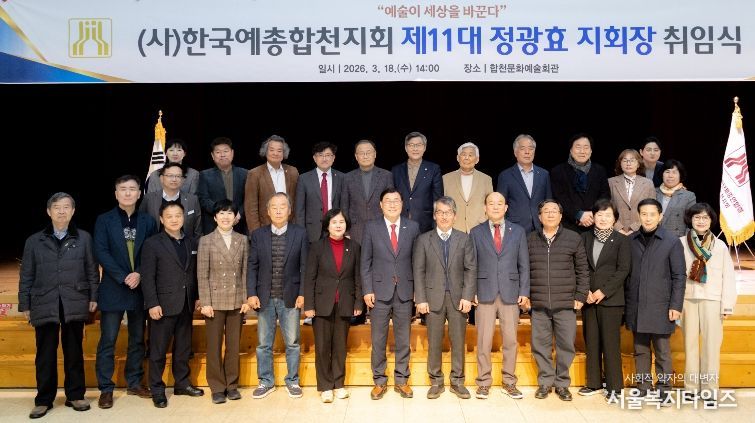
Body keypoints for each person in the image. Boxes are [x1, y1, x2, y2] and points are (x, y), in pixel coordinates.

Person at [19, 192, 99, 419]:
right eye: (57, 207)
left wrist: (94, 296)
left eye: (66, 207)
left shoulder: (84, 238)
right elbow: (26, 275)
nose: (61, 211)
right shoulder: (34, 241)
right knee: (45, 354)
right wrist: (25, 303)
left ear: (73, 211)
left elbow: (92, 270)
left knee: (74, 351)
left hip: (74, 299)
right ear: (48, 211)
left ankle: (76, 395)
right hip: (44, 300)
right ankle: (44, 399)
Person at [94, 175, 157, 409]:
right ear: (116, 193)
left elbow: (152, 251)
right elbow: (101, 251)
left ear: (140, 193)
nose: (128, 193)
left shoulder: (148, 221)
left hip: (139, 289)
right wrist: (123, 276)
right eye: (123, 189)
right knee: (108, 340)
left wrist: (139, 273)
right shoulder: (104, 220)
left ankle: (134, 382)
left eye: (132, 189)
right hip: (113, 287)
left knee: (137, 339)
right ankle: (105, 388)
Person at [141, 201, 205, 408]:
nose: (174, 219)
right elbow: (148, 277)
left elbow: (193, 273)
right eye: (169, 216)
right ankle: (157, 389)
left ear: (184, 217)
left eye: (178, 215)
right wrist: (152, 303)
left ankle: (182, 383)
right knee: (158, 350)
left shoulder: (191, 242)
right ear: (161, 219)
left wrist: (197, 296)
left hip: (186, 303)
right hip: (162, 305)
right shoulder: (152, 243)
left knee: (183, 348)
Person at [413, 196, 477, 400]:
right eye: (439, 212)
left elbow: (470, 269)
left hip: (459, 299)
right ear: (434, 215)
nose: (443, 216)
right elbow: (419, 271)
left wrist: (467, 296)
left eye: (448, 212)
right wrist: (421, 298)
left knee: (458, 341)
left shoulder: (464, 239)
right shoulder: (424, 240)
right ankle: (436, 381)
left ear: (454, 215)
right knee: (434, 342)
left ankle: (457, 381)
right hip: (432, 298)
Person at [247, 193, 308, 399]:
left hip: (290, 296)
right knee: (264, 344)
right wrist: (251, 293)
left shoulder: (300, 233)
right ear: (268, 211)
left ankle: (293, 381)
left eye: (283, 206)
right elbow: (252, 266)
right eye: (274, 207)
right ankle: (266, 381)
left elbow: (305, 267)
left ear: (290, 211)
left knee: (292, 342)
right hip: (264, 297)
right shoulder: (258, 235)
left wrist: (303, 293)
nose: (279, 210)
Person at [361, 188, 421, 400]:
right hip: (378, 292)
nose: (392, 204)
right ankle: (379, 381)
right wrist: (367, 289)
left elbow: (417, 262)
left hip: (405, 291)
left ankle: (402, 380)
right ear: (381, 205)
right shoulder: (371, 227)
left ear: (402, 204)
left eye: (396, 200)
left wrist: (417, 290)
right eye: (388, 200)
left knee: (404, 339)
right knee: (378, 340)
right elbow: (365, 261)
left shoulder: (412, 227)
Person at [527, 199, 590, 401]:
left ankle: (562, 383)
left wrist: (581, 295)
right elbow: (524, 270)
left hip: (566, 303)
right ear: (539, 217)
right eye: (546, 211)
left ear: (561, 216)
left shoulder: (573, 238)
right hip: (538, 303)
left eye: (554, 211)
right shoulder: (530, 239)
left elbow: (582, 269)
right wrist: (526, 296)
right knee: (540, 346)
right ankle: (545, 382)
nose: (550, 214)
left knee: (566, 346)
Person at [469, 192, 529, 400]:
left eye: (499, 203)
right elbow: (471, 265)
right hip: (484, 292)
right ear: (485, 208)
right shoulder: (475, 232)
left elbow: (524, 264)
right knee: (483, 341)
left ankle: (509, 382)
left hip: (510, 293)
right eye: (491, 203)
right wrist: (471, 291)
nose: (495, 207)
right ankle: (483, 382)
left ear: (506, 208)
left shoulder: (518, 231)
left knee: (511, 340)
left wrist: (524, 291)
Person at [626, 198, 686, 404]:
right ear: (639, 216)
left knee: (662, 352)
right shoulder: (631, 240)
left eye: (652, 214)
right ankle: (643, 387)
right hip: (637, 304)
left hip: (661, 306)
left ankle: (664, 389)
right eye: (644, 214)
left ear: (660, 216)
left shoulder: (671, 241)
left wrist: (675, 305)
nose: (648, 218)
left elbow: (679, 276)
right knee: (640, 350)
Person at [303, 209, 363, 403]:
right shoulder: (317, 247)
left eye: (342, 222)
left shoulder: (354, 246)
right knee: (322, 347)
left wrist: (358, 302)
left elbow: (357, 277)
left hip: (345, 302)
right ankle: (325, 386)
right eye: (334, 222)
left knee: (340, 346)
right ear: (327, 225)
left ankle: (339, 384)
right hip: (321, 304)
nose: (338, 225)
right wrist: (309, 305)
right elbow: (310, 278)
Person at [680, 203, 737, 402]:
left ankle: (710, 389)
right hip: (687, 299)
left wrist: (727, 304)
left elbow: (728, 276)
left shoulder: (720, 246)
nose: (701, 221)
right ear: (690, 220)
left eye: (705, 217)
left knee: (711, 348)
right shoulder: (681, 243)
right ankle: (691, 388)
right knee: (690, 346)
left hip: (712, 299)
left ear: (711, 221)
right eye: (697, 217)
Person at [197, 200, 250, 404]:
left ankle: (232, 385)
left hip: (236, 300)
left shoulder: (242, 240)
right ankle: (217, 387)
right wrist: (205, 302)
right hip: (214, 301)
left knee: (233, 346)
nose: (226, 217)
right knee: (214, 346)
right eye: (221, 213)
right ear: (215, 217)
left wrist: (245, 299)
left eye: (230, 213)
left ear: (236, 217)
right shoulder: (206, 241)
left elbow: (245, 272)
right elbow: (202, 274)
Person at [578, 199, 631, 402]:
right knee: (591, 341)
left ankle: (614, 386)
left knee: (610, 343)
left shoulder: (622, 240)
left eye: (608, 215)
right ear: (593, 217)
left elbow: (623, 270)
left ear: (614, 218)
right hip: (588, 298)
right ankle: (593, 383)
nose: (603, 218)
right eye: (599, 214)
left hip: (611, 299)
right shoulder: (584, 238)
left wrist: (603, 291)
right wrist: (585, 291)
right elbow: (580, 266)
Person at [340, 139, 393, 325]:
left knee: (381, 268)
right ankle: (359, 310)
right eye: (361, 153)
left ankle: (381, 309)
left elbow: (391, 202)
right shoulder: (348, 177)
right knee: (357, 270)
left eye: (368, 152)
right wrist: (346, 231)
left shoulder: (386, 175)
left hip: (380, 230)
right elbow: (344, 205)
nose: (365, 155)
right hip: (356, 231)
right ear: (356, 156)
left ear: (375, 154)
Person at [550, 133, 610, 233]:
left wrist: (593, 213)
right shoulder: (558, 171)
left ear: (591, 151)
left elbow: (605, 195)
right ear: (571, 150)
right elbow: (559, 198)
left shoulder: (600, 170)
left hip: (595, 223)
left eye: (586, 147)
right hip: (567, 226)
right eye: (578, 147)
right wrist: (578, 214)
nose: (582, 151)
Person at [497, 134, 553, 233]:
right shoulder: (505, 176)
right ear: (515, 152)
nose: (527, 152)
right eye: (523, 148)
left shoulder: (544, 174)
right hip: (514, 229)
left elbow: (549, 202)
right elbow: (500, 204)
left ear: (534, 152)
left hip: (540, 227)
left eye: (531, 148)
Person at [245, 135, 299, 233]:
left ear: (284, 153)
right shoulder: (255, 174)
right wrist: (256, 233)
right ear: (265, 151)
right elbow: (251, 207)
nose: (275, 153)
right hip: (264, 229)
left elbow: (297, 202)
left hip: (290, 228)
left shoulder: (293, 172)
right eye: (271, 150)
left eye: (279, 150)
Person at [392, 131, 443, 233]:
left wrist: (436, 224)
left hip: (425, 224)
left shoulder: (433, 169)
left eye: (419, 145)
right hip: (400, 222)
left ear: (424, 147)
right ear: (406, 148)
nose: (415, 148)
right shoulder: (396, 170)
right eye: (411, 145)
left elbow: (438, 199)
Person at [197, 137, 248, 235]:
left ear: (232, 153)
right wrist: (221, 214)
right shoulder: (204, 175)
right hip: (213, 225)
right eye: (218, 152)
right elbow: (203, 199)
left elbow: (249, 198)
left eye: (226, 151)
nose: (222, 155)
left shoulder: (245, 174)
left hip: (239, 224)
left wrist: (239, 213)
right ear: (212, 156)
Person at [140, 162, 202, 240]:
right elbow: (141, 224)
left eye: (178, 176)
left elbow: (197, 229)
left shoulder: (192, 200)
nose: (174, 179)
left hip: (185, 245)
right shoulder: (149, 199)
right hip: (155, 245)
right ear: (161, 178)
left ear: (183, 180)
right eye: (170, 176)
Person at [295, 142, 343, 243]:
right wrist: (300, 233)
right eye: (320, 155)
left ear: (333, 157)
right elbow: (300, 210)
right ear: (314, 158)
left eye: (328, 155)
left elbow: (344, 205)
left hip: (336, 228)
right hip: (312, 231)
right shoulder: (304, 179)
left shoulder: (342, 177)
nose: (324, 159)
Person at [442, 142, 493, 233]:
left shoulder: (486, 179)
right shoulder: (446, 178)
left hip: (479, 228)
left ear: (477, 159)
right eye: (463, 154)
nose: (466, 158)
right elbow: (441, 204)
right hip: (453, 227)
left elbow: (491, 204)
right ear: (458, 158)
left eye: (470, 155)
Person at [607, 149, 655, 235]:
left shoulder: (648, 183)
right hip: (615, 231)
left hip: (641, 231)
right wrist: (618, 227)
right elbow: (606, 207)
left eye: (632, 160)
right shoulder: (611, 182)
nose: (628, 163)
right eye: (625, 160)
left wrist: (635, 228)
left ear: (638, 164)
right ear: (620, 163)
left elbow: (652, 209)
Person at [656, 159, 697, 238]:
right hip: (654, 238)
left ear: (680, 175)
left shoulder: (688, 196)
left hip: (677, 239)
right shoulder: (653, 191)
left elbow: (691, 222)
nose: (670, 175)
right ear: (662, 174)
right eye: (667, 172)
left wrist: (685, 240)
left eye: (674, 172)